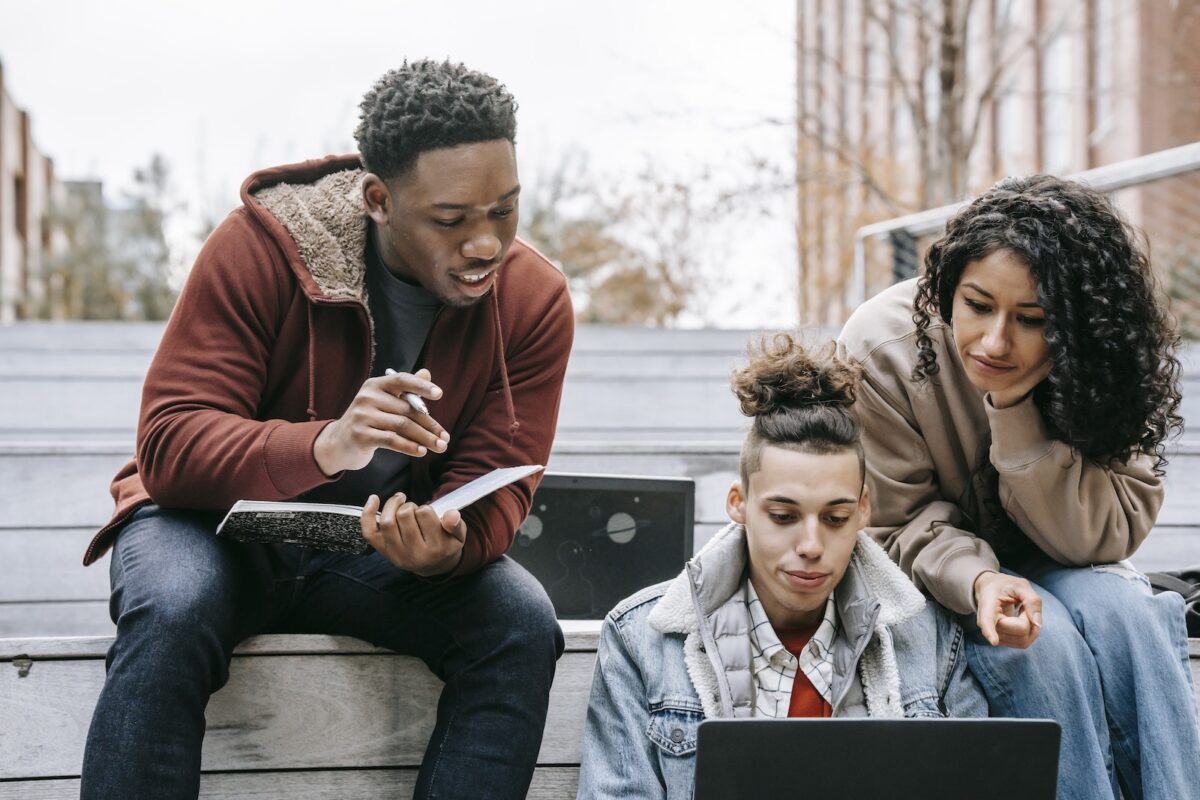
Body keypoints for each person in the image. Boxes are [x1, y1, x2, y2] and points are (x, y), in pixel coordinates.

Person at [79, 60, 574, 800]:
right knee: (174, 608)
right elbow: (170, 444)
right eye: (451, 219)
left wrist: (448, 549)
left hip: (361, 549)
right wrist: (325, 444)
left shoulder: (534, 299)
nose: (485, 244)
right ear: (379, 198)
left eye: (504, 210)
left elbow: (502, 476)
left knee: (521, 622)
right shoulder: (261, 246)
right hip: (206, 527)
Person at [840, 174, 1200, 800]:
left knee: (1125, 616)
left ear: (1074, 326)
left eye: (1031, 320)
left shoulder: (1103, 354)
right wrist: (981, 579)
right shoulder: (880, 348)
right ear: (947, 289)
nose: (995, 341)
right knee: (1040, 641)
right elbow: (891, 524)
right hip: (943, 582)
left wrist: (1012, 410)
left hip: (1070, 560)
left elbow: (1107, 534)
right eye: (977, 306)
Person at [576, 335, 984, 800]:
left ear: (865, 510)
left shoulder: (928, 638)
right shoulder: (641, 639)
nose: (811, 545)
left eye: (835, 518)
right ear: (739, 504)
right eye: (784, 516)